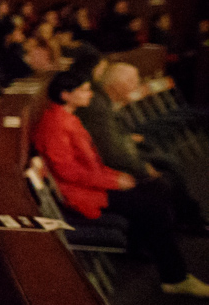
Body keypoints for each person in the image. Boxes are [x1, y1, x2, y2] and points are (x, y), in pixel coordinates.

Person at [34, 70, 209, 297]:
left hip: (93, 185)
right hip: (81, 194)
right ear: (66, 95)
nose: (90, 94)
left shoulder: (68, 117)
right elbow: (68, 172)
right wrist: (114, 180)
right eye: (85, 90)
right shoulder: (55, 125)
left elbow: (90, 165)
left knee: (157, 190)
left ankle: (143, 245)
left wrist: (113, 178)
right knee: (152, 206)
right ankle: (175, 277)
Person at [78, 60, 207, 233]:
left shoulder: (103, 101)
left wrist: (128, 140)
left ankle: (188, 218)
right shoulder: (98, 108)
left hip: (125, 150)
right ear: (117, 85)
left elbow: (112, 137)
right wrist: (143, 169)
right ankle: (184, 222)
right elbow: (111, 152)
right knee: (164, 177)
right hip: (114, 163)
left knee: (170, 164)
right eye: (132, 82)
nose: (137, 86)